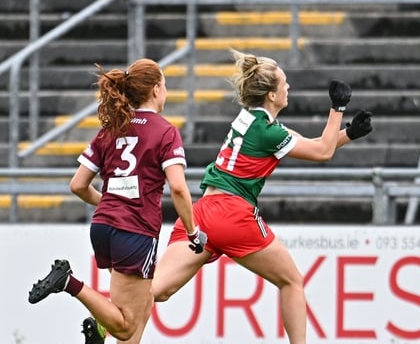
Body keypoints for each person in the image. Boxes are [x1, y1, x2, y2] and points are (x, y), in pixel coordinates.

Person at [150, 50, 373, 344]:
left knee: (156, 290)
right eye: (284, 83)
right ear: (271, 95)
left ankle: (108, 316)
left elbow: (319, 144)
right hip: (233, 214)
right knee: (291, 281)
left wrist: (348, 134)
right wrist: (338, 108)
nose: (288, 88)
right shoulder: (268, 131)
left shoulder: (250, 120)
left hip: (202, 212)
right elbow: (322, 152)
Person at [27, 58, 207, 344]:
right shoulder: (165, 131)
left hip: (103, 228)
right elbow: (178, 187)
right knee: (125, 325)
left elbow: (78, 185)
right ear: (157, 89)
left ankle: (99, 331)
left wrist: (110, 203)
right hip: (135, 231)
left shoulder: (111, 128)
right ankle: (68, 282)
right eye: (166, 85)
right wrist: (193, 232)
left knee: (142, 304)